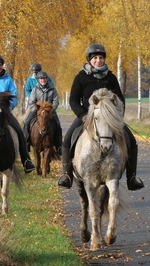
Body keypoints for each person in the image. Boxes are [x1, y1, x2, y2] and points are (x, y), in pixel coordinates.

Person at [57, 43, 144, 191]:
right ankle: (67, 175)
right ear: (90, 60)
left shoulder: (111, 77)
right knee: (67, 139)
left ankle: (132, 177)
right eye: (95, 58)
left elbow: (120, 99)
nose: (98, 60)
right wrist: (83, 115)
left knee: (132, 141)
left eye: (101, 58)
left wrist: (116, 116)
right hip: (87, 116)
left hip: (108, 118)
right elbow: (73, 100)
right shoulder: (81, 77)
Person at [23, 70, 63, 153]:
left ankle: (59, 146)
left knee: (58, 125)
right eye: (41, 79)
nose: (43, 80)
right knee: (27, 123)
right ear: (38, 80)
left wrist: (50, 111)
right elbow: (31, 102)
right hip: (37, 111)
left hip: (49, 112)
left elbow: (56, 102)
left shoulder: (52, 89)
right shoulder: (35, 89)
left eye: (44, 78)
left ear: (46, 79)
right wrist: (36, 110)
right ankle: (26, 144)